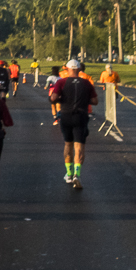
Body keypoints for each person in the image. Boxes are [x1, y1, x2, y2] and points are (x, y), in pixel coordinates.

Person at [50, 59, 98, 189]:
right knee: (79, 146)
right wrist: (84, 99)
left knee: (68, 144)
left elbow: (53, 98)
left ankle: (69, 174)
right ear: (79, 70)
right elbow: (95, 101)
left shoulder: (61, 82)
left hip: (66, 115)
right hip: (81, 115)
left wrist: (60, 98)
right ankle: (77, 174)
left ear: (68, 69)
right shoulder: (86, 83)